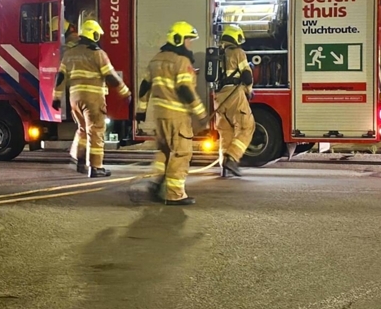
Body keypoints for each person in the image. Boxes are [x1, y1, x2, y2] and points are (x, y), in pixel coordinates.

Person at [136, 21, 207, 205]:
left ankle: (156, 182)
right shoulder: (181, 60)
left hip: (159, 115)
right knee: (181, 152)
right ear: (178, 39)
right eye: (188, 40)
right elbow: (185, 88)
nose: (190, 43)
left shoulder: (156, 59)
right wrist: (200, 113)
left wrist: (141, 111)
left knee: (164, 150)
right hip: (177, 116)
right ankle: (174, 194)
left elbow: (144, 87)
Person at [52, 19, 130, 177]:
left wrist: (56, 97)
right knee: (96, 131)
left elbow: (60, 76)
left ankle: (79, 161)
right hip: (93, 99)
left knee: (82, 129)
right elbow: (110, 76)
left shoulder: (69, 53)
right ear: (92, 34)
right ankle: (96, 167)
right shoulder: (98, 54)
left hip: (75, 99)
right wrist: (124, 91)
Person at [215, 23, 255, 177]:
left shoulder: (218, 53)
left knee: (226, 132)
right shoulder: (238, 52)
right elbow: (247, 75)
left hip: (219, 97)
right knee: (247, 126)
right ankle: (232, 158)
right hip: (233, 94)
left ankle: (224, 167)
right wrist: (249, 91)